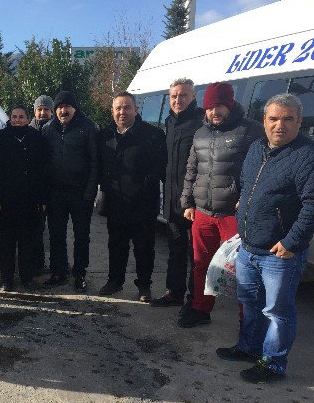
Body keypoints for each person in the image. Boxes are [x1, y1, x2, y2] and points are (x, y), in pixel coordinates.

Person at [217, 93, 314, 383]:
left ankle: (273, 363)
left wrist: (291, 243)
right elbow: (246, 182)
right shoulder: (257, 148)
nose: (280, 125)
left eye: (287, 119)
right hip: (249, 245)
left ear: (299, 122)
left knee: (277, 311)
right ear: (264, 121)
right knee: (250, 302)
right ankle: (249, 348)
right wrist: (244, 201)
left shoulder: (309, 154)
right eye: (273, 119)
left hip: (280, 253)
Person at [179, 82, 262, 327]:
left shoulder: (250, 130)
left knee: (241, 271)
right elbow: (192, 169)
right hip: (203, 211)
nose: (215, 112)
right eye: (210, 107)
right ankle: (200, 310)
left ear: (231, 105)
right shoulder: (200, 133)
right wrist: (187, 202)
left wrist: (245, 200)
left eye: (220, 106)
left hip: (233, 215)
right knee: (200, 264)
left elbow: (258, 170)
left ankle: (246, 322)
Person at [97, 92, 167, 302]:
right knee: (116, 245)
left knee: (144, 248)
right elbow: (99, 165)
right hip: (116, 202)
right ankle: (115, 281)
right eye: (118, 108)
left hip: (143, 203)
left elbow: (159, 165)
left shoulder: (152, 135)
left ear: (136, 110)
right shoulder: (105, 135)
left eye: (127, 107)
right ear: (112, 111)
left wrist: (143, 184)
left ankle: (144, 286)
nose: (122, 112)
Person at [151, 78, 204, 308]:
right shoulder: (169, 121)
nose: (177, 100)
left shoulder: (202, 122)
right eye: (173, 96)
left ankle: (195, 300)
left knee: (197, 256)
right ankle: (174, 292)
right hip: (173, 200)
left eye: (183, 95)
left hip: (195, 202)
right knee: (176, 249)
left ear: (193, 97)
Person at [41, 91, 98, 292]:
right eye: (59, 107)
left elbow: (94, 162)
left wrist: (90, 192)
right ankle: (59, 271)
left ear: (75, 108)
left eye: (67, 106)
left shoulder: (88, 128)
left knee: (81, 235)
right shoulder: (48, 130)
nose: (63, 110)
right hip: (55, 193)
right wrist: (45, 193)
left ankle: (80, 273)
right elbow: (43, 163)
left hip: (80, 193)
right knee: (56, 235)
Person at [0, 106, 49, 290]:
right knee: (7, 243)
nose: (17, 120)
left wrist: (43, 198)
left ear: (27, 118)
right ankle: (7, 278)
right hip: (6, 201)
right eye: (14, 117)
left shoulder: (36, 138)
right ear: (9, 118)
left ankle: (27, 277)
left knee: (27, 242)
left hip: (30, 200)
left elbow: (43, 170)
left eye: (21, 117)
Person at [29, 95, 54, 275]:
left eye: (46, 109)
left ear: (52, 111)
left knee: (55, 230)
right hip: (30, 189)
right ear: (35, 111)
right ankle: (35, 264)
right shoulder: (27, 130)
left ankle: (57, 265)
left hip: (53, 188)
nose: (43, 112)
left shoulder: (56, 130)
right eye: (40, 109)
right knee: (34, 230)